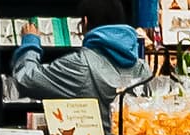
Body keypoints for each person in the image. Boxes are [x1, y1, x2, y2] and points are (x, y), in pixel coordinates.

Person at [9, 22, 146, 101]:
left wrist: (30, 43)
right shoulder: (141, 68)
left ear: (84, 22)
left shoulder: (79, 64)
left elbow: (26, 80)